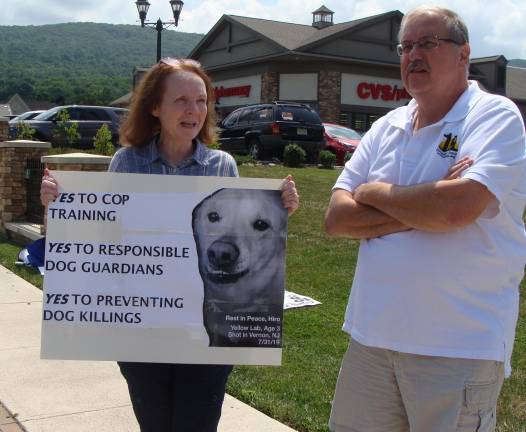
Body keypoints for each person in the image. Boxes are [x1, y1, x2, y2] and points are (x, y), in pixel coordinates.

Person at [40, 58, 299, 432]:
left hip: (203, 334)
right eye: (181, 100)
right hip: (141, 331)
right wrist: (60, 206)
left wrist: (281, 206)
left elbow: (246, 233)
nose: (193, 110)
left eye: (201, 100)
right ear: (155, 108)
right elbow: (100, 240)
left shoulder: (222, 167)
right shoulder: (127, 162)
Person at [324, 6, 526, 432]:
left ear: (463, 54)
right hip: (371, 342)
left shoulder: (494, 117)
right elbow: (337, 218)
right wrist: (426, 205)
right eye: (406, 46)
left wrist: (376, 193)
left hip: (458, 350)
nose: (414, 55)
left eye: (428, 43)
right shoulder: (385, 127)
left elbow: (458, 208)